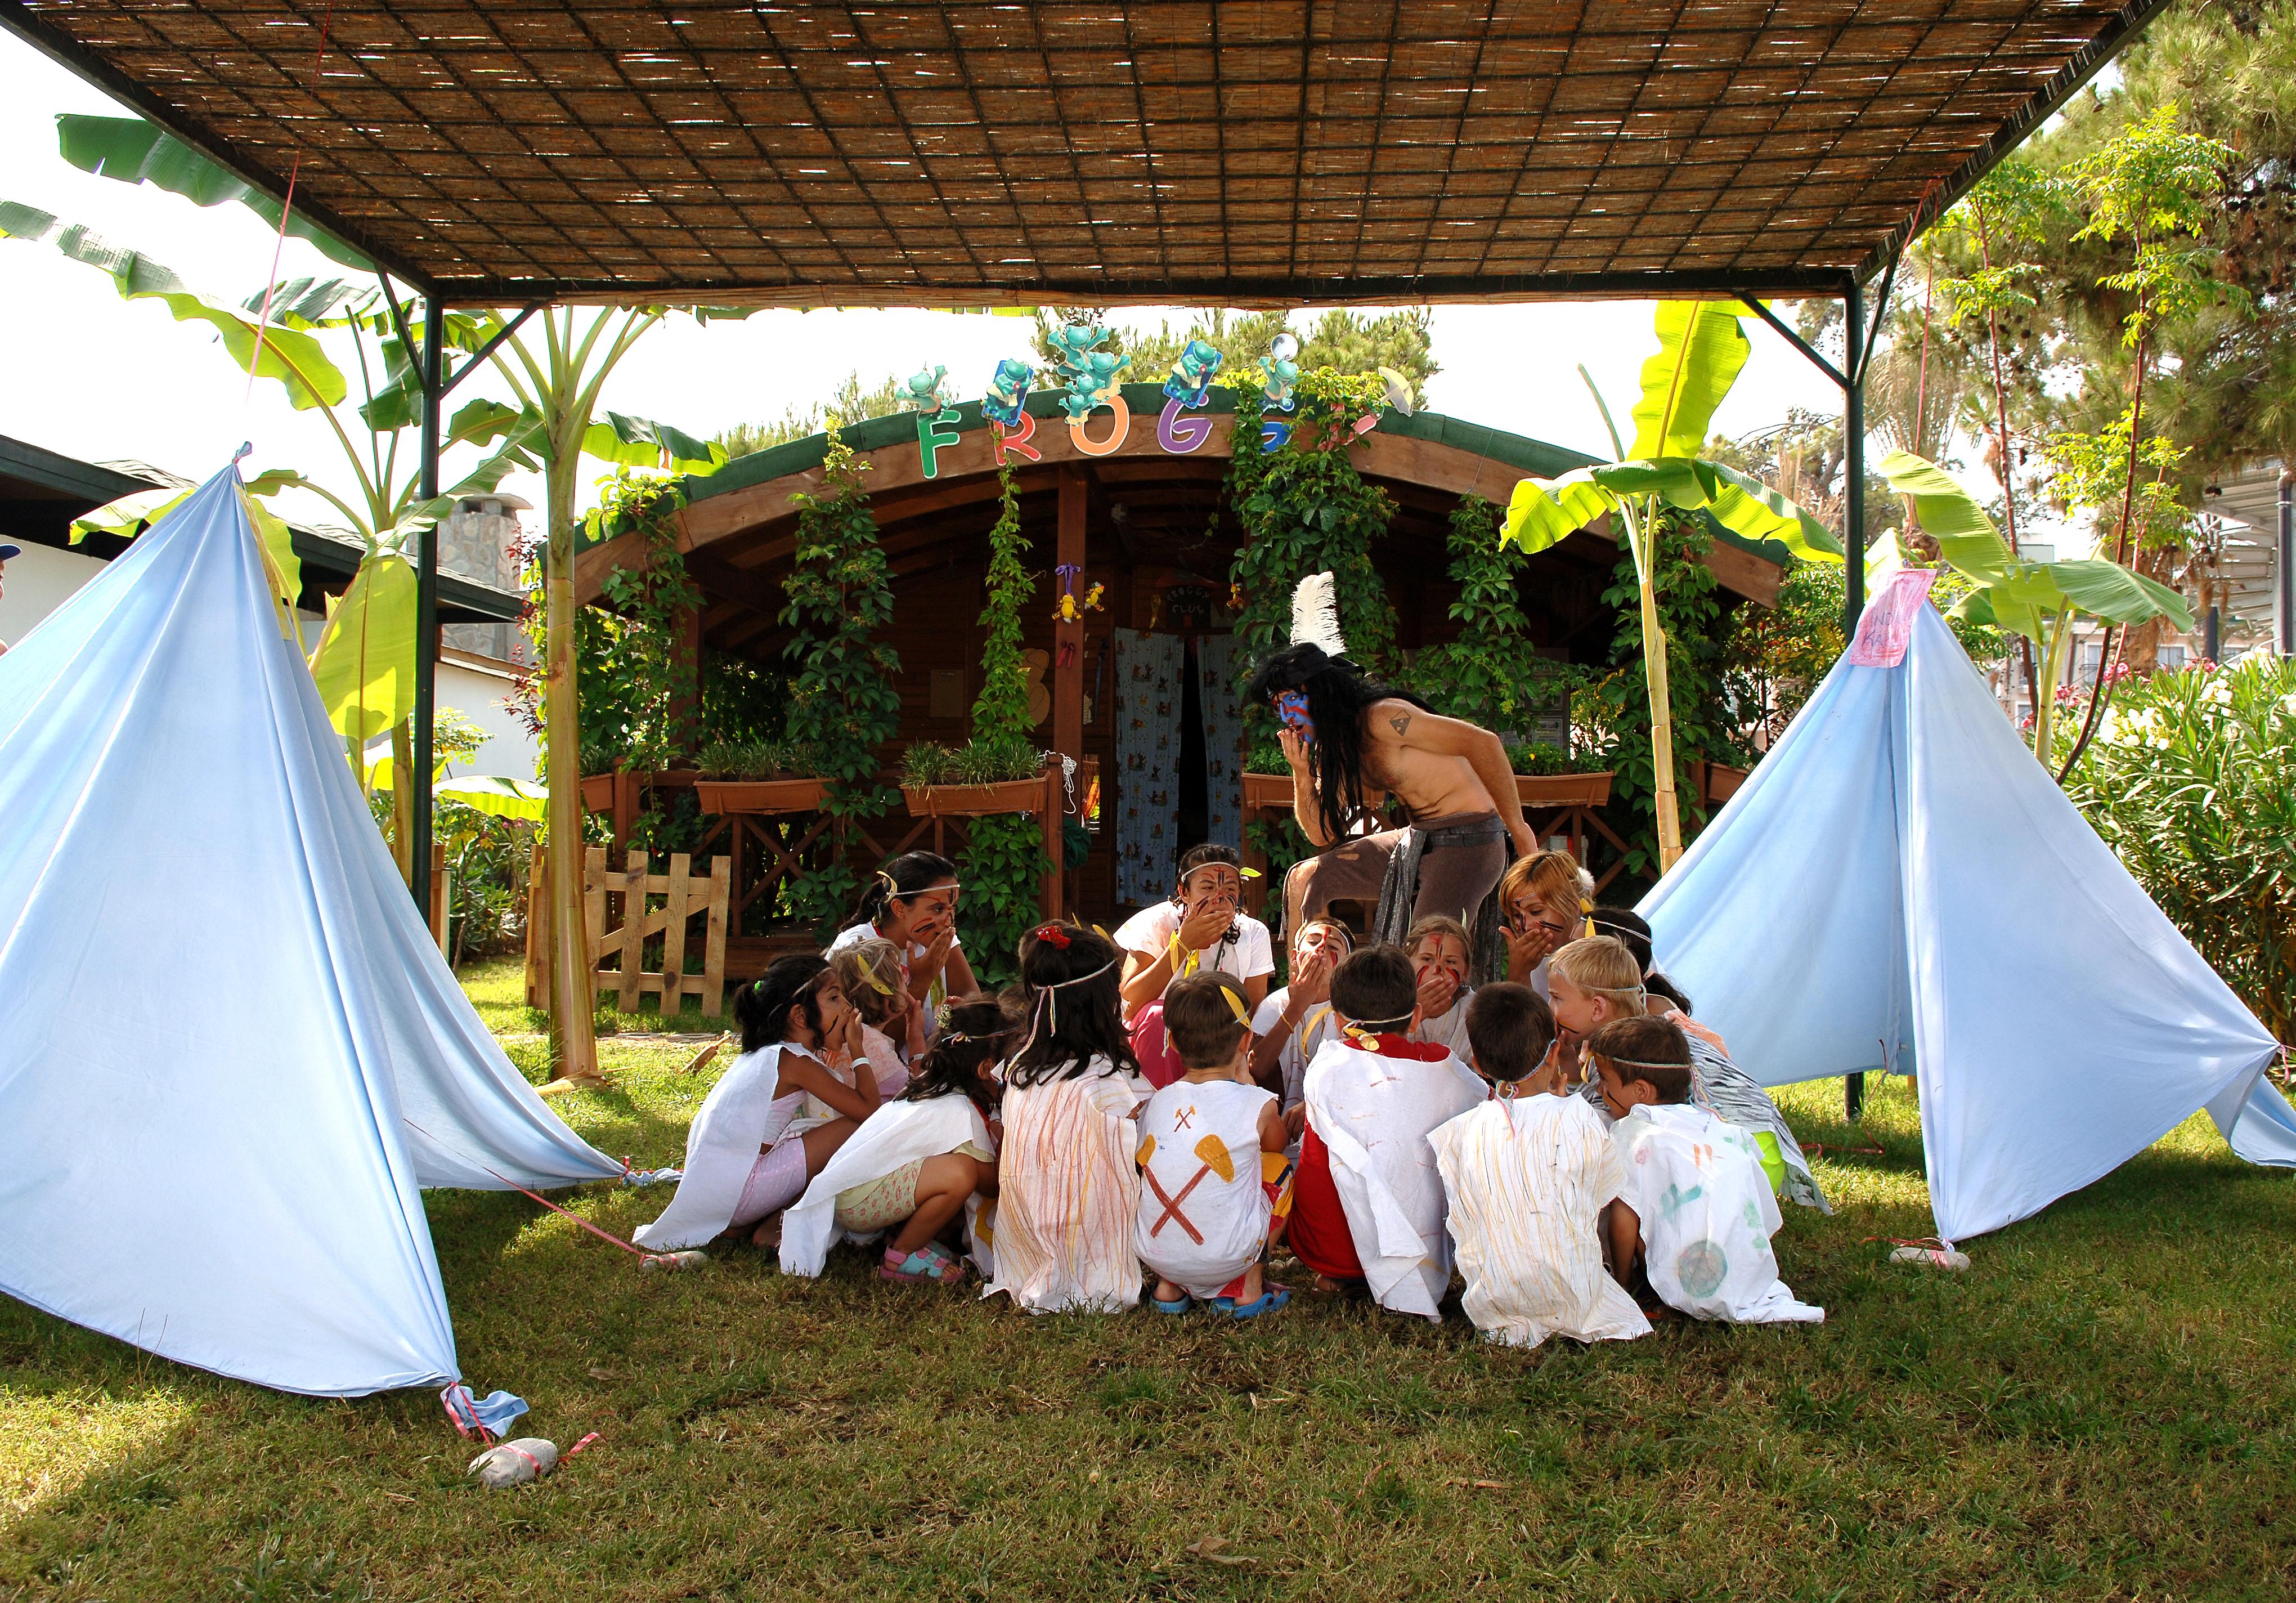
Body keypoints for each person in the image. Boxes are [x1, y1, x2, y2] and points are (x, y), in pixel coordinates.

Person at [1245, 580, 1535, 971]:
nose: (1286, 717)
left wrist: (1518, 830)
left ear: (1321, 693)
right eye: (1279, 707)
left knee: (1427, 952)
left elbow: (1484, 744)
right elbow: (1321, 835)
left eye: (1291, 701)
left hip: (1470, 841)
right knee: (1308, 876)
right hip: (1418, 839)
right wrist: (1300, 771)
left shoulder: (1385, 719)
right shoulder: (1339, 747)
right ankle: (1309, 991)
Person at [1427, 983, 1650, 1349]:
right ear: (1554, 1055)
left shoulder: (1459, 1133)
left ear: (1479, 1065)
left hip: (1494, 1307)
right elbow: (1605, 1192)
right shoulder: (1580, 1115)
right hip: (1577, 1300)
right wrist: (1564, 1111)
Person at [1547, 936, 1827, 1211]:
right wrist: (1569, 1061)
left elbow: (1592, 1128)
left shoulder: (1627, 1054)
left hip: (1740, 1161)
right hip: (1757, 1151)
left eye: (1557, 998)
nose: (1551, 1009)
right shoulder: (1637, 1034)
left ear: (1598, 1008)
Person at [1289, 943, 1487, 1321]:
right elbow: (1485, 1103)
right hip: (1422, 1254)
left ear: (1337, 1020)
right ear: (1416, 1017)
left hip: (1329, 1249)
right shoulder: (1444, 1066)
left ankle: (1337, 1275)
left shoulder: (1327, 1065)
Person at [633, 955, 882, 1253]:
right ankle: (777, 1226)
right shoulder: (794, 1061)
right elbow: (868, 1111)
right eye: (834, 997)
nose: (848, 1007)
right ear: (800, 1016)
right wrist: (857, 1048)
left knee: (819, 1136)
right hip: (744, 1194)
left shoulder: (763, 1055)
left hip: (721, 1198)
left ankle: (758, 1225)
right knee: (851, 1127)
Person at [1589, 1017, 1824, 1326]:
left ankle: (1653, 1291)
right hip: (1747, 1277)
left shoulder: (1634, 1131)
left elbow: (1624, 1218)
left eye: (1606, 1081)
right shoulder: (1721, 1128)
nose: (1599, 1089)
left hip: (1687, 1281)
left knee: (1629, 1201)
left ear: (1642, 1091)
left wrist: (1622, 1283)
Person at [983, 924, 1154, 1314]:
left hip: (1026, 1245)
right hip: (1090, 1242)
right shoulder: (1108, 1079)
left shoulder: (1017, 1071)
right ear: (1102, 1001)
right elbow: (1152, 1148)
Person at [779, 996, 1008, 1287]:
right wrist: (1004, 1138)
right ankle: (900, 1256)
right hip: (856, 1203)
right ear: (987, 1069)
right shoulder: (960, 1110)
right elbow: (990, 1185)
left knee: (959, 1168)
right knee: (962, 1172)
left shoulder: (935, 1087)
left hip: (854, 1192)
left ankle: (911, 1239)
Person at [1133, 973, 1289, 1318]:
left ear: (1172, 1042)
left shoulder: (1156, 1102)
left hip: (1154, 1251)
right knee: (1281, 1171)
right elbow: (1278, 1145)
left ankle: (1168, 1287)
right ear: (1245, 1040)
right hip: (1229, 1257)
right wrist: (1247, 1083)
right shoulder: (1258, 1103)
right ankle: (1250, 1284)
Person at [828, 852, 974, 1015]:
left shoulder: (941, 937)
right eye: (938, 909)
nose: (949, 921)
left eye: (952, 908)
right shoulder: (858, 949)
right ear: (899, 908)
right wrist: (921, 981)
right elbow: (880, 1038)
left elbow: (973, 1001)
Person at [1247, 915, 1352, 1122]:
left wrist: (1313, 1104)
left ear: (1346, 964)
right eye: (1313, 942)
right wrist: (1297, 1007)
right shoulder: (1275, 1005)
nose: (1321, 948)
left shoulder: (1353, 1008)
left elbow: (1361, 1076)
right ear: (1295, 957)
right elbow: (1256, 1069)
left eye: (1333, 947)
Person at [1497, 849, 1595, 997]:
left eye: (1536, 912)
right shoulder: (1534, 963)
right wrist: (1519, 974)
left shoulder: (1600, 962)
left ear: (1574, 907)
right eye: (1517, 915)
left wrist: (1520, 976)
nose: (1525, 927)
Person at [830, 936, 926, 1087]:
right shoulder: (874, 1048)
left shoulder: (839, 1037)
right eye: (902, 977)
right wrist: (917, 1040)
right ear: (888, 1002)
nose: (907, 982)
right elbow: (917, 1095)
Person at [1405, 914, 1474, 1059]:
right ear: (1408, 963)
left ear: (1465, 972)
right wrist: (1412, 1015)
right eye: (1427, 959)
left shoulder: (1477, 1012)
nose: (1437, 969)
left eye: (1450, 962)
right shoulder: (1388, 1004)